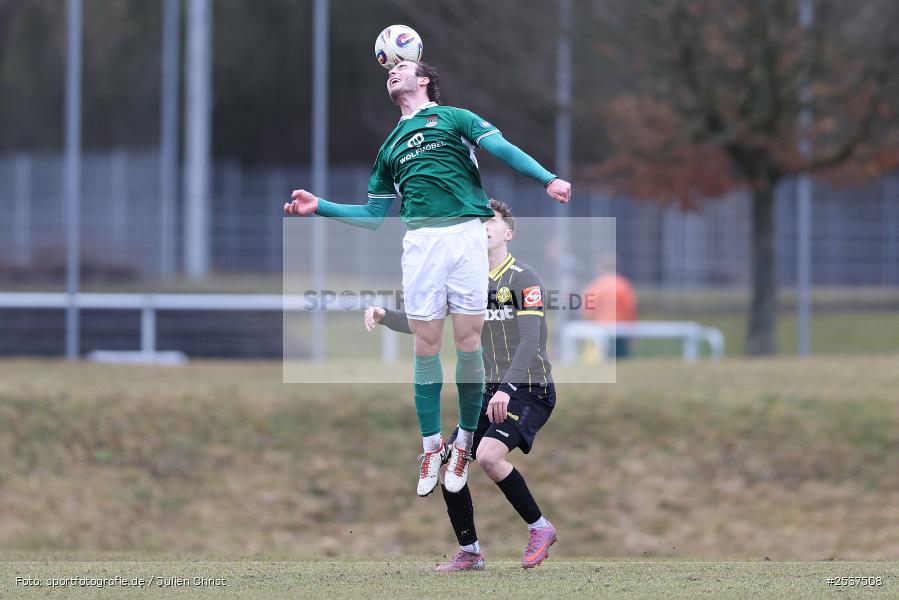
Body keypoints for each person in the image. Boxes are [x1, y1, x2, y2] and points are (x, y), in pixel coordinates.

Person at [285, 61, 571, 497]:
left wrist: (546, 179)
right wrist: (319, 206)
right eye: (388, 70)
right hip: (420, 242)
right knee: (425, 342)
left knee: (468, 341)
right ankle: (431, 446)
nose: (392, 73)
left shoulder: (453, 117)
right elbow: (373, 216)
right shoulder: (389, 148)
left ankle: (463, 443)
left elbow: (503, 147)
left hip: (465, 234)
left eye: (402, 67)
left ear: (424, 80)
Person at [364, 199, 557, 571]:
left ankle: (541, 529)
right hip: (491, 391)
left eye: (492, 221)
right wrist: (385, 315)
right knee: (449, 459)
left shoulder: (524, 278)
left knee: (486, 456)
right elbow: (427, 322)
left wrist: (506, 389)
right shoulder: (468, 281)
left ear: (508, 233)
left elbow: (531, 341)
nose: (484, 225)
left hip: (530, 388)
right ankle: (470, 553)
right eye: (478, 220)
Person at [581, 257, 637, 359]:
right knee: (621, 364)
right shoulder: (624, 285)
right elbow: (630, 310)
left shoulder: (595, 286)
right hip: (620, 332)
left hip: (599, 332)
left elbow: (587, 312)